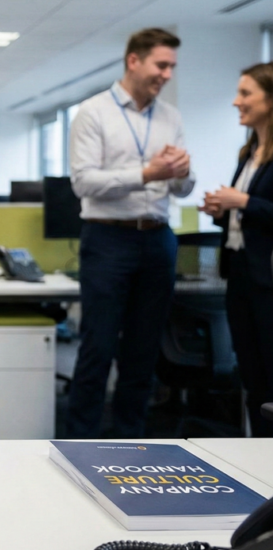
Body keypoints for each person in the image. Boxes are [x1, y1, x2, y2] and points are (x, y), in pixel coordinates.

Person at [67, 28, 194, 438]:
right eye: (162, 64)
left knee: (143, 354)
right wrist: (147, 173)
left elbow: (184, 188)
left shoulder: (170, 117)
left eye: (172, 66)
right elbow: (84, 182)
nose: (168, 74)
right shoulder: (94, 112)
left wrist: (182, 173)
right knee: (97, 350)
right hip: (108, 239)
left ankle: (134, 443)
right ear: (133, 61)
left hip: (158, 238)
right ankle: (81, 445)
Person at [199, 62, 273, 437]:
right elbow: (248, 220)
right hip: (240, 272)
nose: (235, 102)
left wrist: (242, 201)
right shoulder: (250, 152)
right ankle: (260, 455)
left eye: (246, 94)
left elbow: (260, 210)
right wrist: (221, 212)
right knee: (251, 374)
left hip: (268, 280)